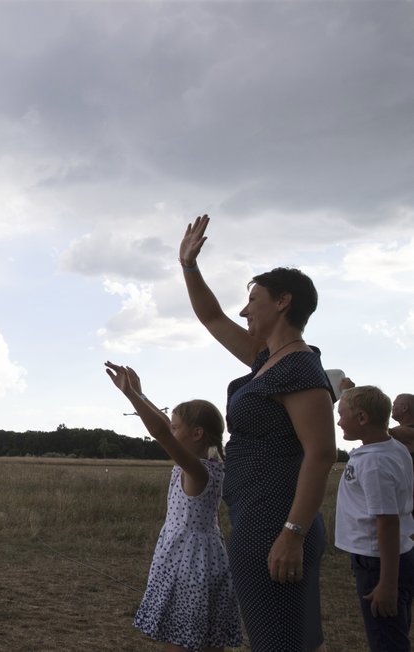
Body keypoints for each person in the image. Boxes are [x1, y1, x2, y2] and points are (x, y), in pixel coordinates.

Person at [179, 214, 337, 651]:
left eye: (253, 300)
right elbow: (211, 318)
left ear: (283, 301)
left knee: (281, 640)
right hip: (256, 516)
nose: (245, 310)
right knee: (280, 637)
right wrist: (189, 268)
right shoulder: (265, 358)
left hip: (277, 522)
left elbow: (322, 454)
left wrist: (293, 532)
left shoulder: (299, 366)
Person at [105, 361, 242, 652]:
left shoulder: (198, 470)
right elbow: (166, 429)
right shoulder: (211, 465)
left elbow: (161, 433)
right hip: (203, 557)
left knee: (181, 638)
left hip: (188, 563)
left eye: (177, 427)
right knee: (204, 636)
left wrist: (132, 396)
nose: (170, 429)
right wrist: (140, 395)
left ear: (197, 434)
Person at [335, 385, 414, 651]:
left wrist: (387, 584)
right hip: (391, 557)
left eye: (342, 414)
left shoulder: (374, 463)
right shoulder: (390, 448)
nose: (338, 421)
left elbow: (387, 522)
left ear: (362, 418)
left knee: (386, 640)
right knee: (393, 631)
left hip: (377, 562)